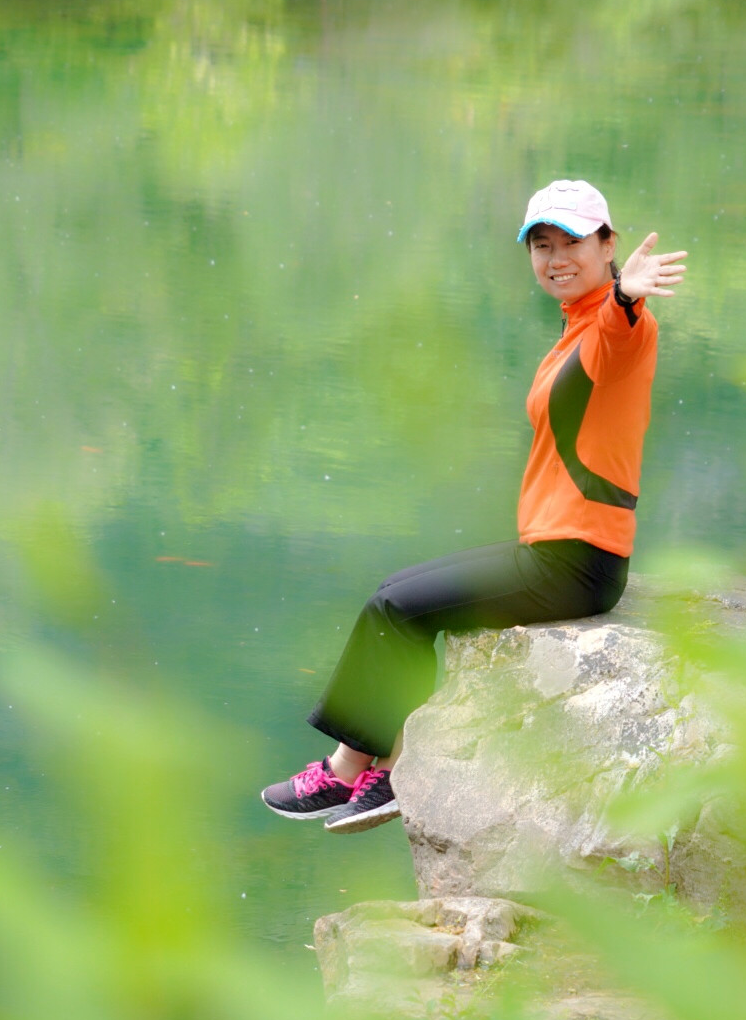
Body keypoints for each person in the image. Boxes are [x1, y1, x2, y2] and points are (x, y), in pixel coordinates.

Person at [261, 179, 687, 834]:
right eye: (541, 246)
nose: (555, 258)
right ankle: (363, 766)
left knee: (396, 609)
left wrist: (627, 295)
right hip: (553, 550)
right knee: (394, 595)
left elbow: (620, 330)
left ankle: (364, 773)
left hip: (577, 560)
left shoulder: (619, 327)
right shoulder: (573, 331)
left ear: (609, 245)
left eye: (571, 241)